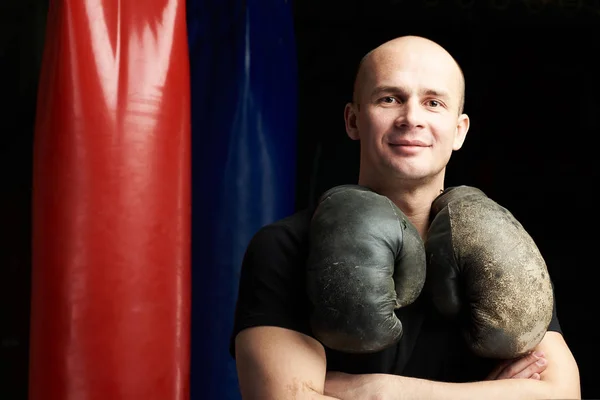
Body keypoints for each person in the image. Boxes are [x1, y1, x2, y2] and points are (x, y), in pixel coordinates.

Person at [229, 35, 581, 399]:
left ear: (459, 131)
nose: (411, 118)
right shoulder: (284, 247)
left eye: (433, 103)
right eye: (390, 98)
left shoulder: (504, 247)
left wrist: (379, 391)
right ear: (353, 120)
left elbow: (564, 392)